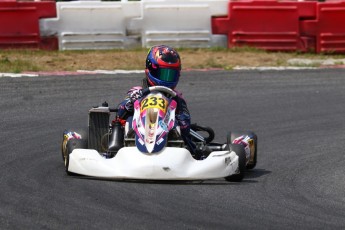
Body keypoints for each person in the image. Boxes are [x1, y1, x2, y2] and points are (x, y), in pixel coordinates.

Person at [115, 45, 205, 158]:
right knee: (126, 121)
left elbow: (185, 126)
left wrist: (177, 115)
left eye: (171, 75)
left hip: (167, 138)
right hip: (136, 132)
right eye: (163, 74)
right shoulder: (136, 92)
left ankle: (193, 154)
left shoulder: (177, 98)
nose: (167, 79)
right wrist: (131, 102)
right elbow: (119, 116)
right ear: (151, 69)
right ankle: (115, 150)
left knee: (179, 127)